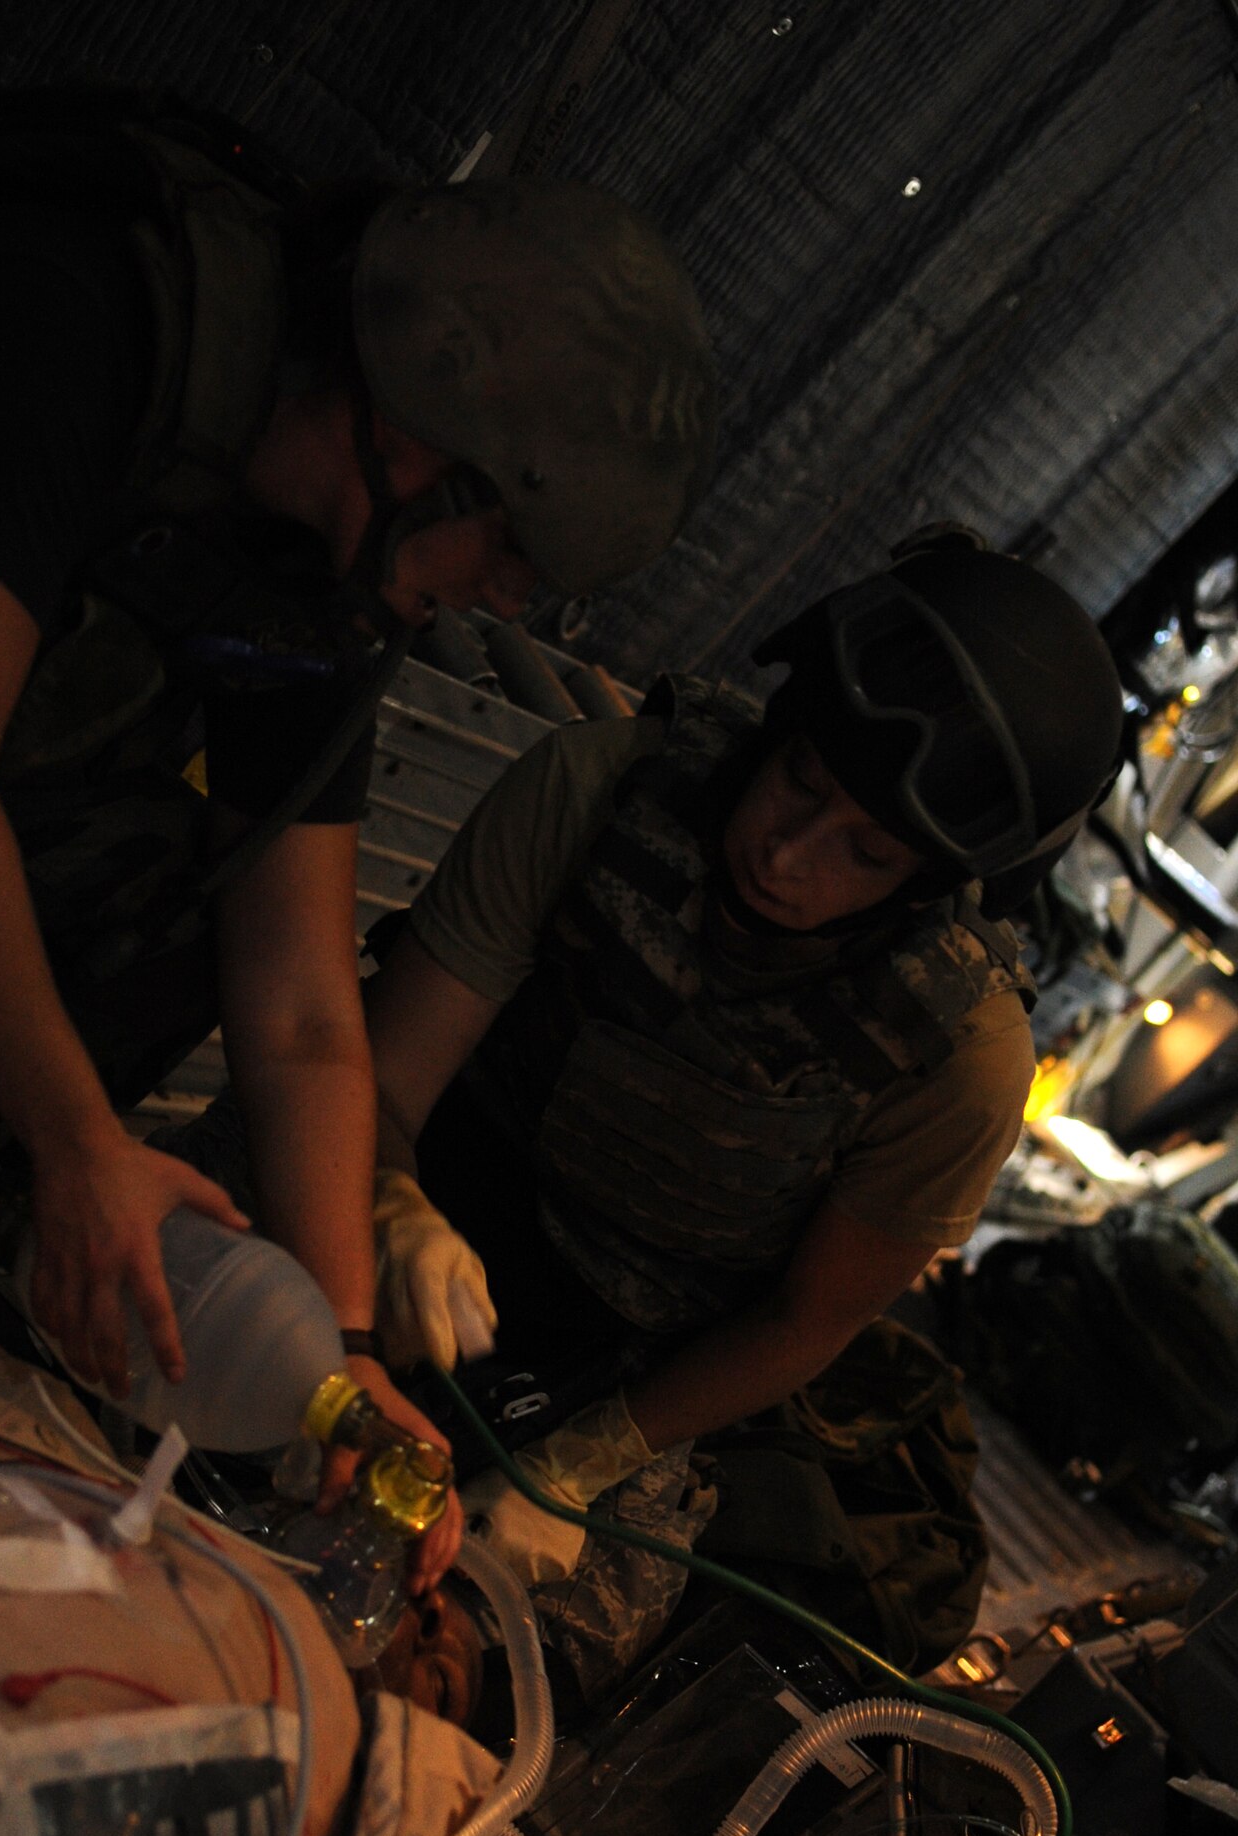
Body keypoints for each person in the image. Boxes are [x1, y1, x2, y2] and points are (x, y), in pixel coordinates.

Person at [0, 87, 717, 1579]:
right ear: (421, 434)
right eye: (510, 548)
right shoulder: (75, 316)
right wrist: (79, 1143)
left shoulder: (316, 578)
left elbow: (297, 1013)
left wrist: (346, 1377)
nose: (505, 604)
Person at [360, 529, 1125, 1591]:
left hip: (645, 1363)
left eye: (864, 851)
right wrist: (385, 1197)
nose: (785, 851)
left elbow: (800, 1321)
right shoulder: (594, 792)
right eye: (800, 779)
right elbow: (380, 1077)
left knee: (510, 1629)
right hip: (437, 1194)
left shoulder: (955, 1055)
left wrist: (580, 1465)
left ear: (922, 885)